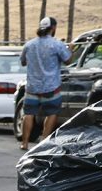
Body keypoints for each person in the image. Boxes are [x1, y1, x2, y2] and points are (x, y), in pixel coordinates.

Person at [19, 16, 74, 150]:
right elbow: (68, 61)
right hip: (51, 87)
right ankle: (44, 141)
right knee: (52, 113)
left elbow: (23, 62)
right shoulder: (57, 45)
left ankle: (24, 142)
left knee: (29, 114)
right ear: (53, 28)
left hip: (32, 87)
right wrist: (70, 48)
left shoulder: (29, 44)